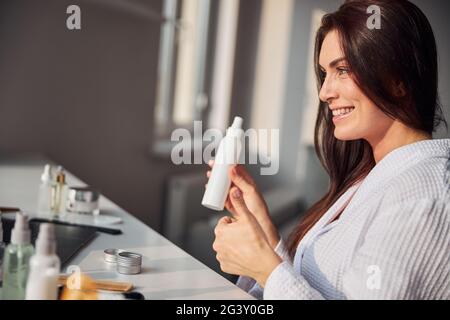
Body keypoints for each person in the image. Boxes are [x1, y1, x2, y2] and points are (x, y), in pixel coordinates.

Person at [207, 0, 449, 299]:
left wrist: (265, 270)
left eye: (343, 69)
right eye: (325, 73)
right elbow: (320, 289)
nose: (324, 92)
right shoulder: (373, 177)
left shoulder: (422, 197)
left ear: (399, 80)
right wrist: (266, 237)